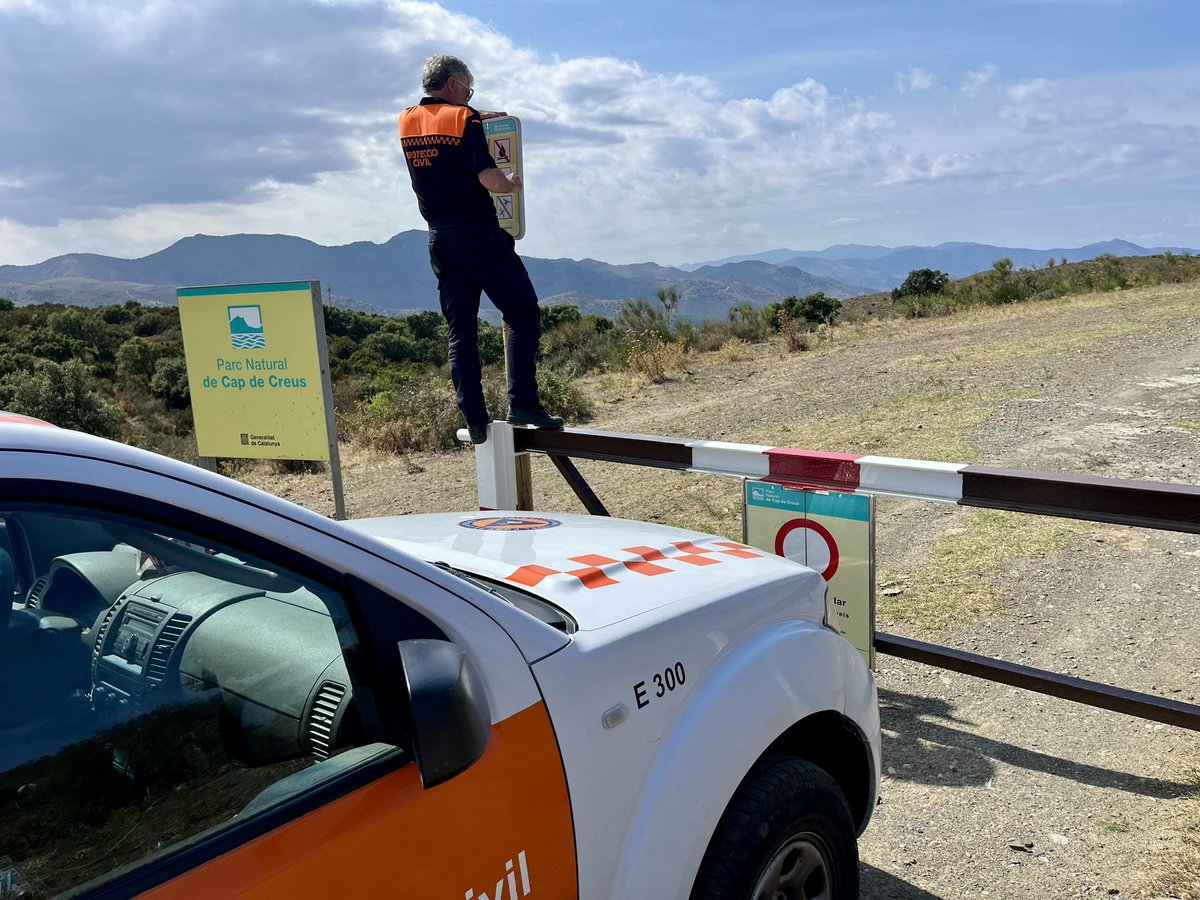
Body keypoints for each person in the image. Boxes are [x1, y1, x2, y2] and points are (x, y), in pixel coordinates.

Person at [399, 54, 563, 444]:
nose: (470, 98)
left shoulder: (406, 120)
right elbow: (488, 177)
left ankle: (475, 419)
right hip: (479, 234)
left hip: (439, 238)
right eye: (468, 89)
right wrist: (511, 184)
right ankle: (522, 402)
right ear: (454, 84)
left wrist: (475, 110)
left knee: (461, 330)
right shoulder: (465, 121)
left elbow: (439, 123)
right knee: (522, 312)